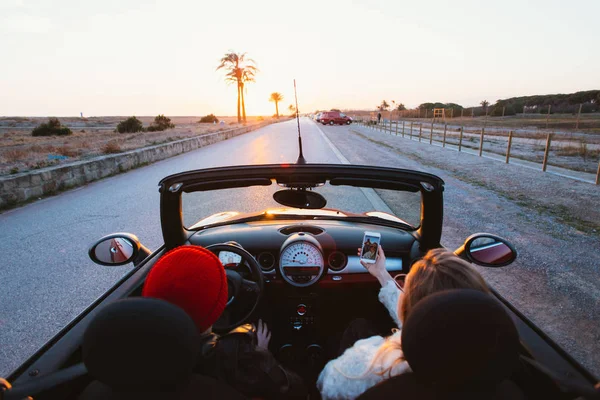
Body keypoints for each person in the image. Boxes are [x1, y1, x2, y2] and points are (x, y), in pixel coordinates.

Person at [317, 246, 490, 400]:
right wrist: (381, 273)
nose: (403, 293)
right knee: (359, 325)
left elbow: (327, 386)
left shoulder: (366, 366)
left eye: (405, 289)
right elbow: (423, 311)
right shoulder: (484, 360)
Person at [142, 245, 307, 399]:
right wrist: (262, 354)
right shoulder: (238, 360)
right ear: (219, 303)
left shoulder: (134, 352)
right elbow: (297, 391)